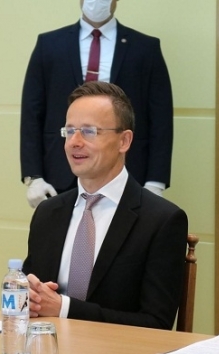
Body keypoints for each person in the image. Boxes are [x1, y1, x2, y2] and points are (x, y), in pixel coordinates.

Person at [23, 81, 187, 330]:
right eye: (69, 131)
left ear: (124, 141)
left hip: (120, 353)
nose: (74, 142)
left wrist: (64, 308)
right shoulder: (48, 213)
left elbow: (156, 323)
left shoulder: (162, 220)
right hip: (47, 348)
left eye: (89, 131)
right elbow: (30, 295)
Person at [20, 0, 173, 208]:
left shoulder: (145, 48)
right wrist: (33, 177)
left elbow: (161, 119)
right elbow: (32, 114)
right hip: (59, 175)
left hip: (128, 173)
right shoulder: (49, 45)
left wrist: (156, 182)